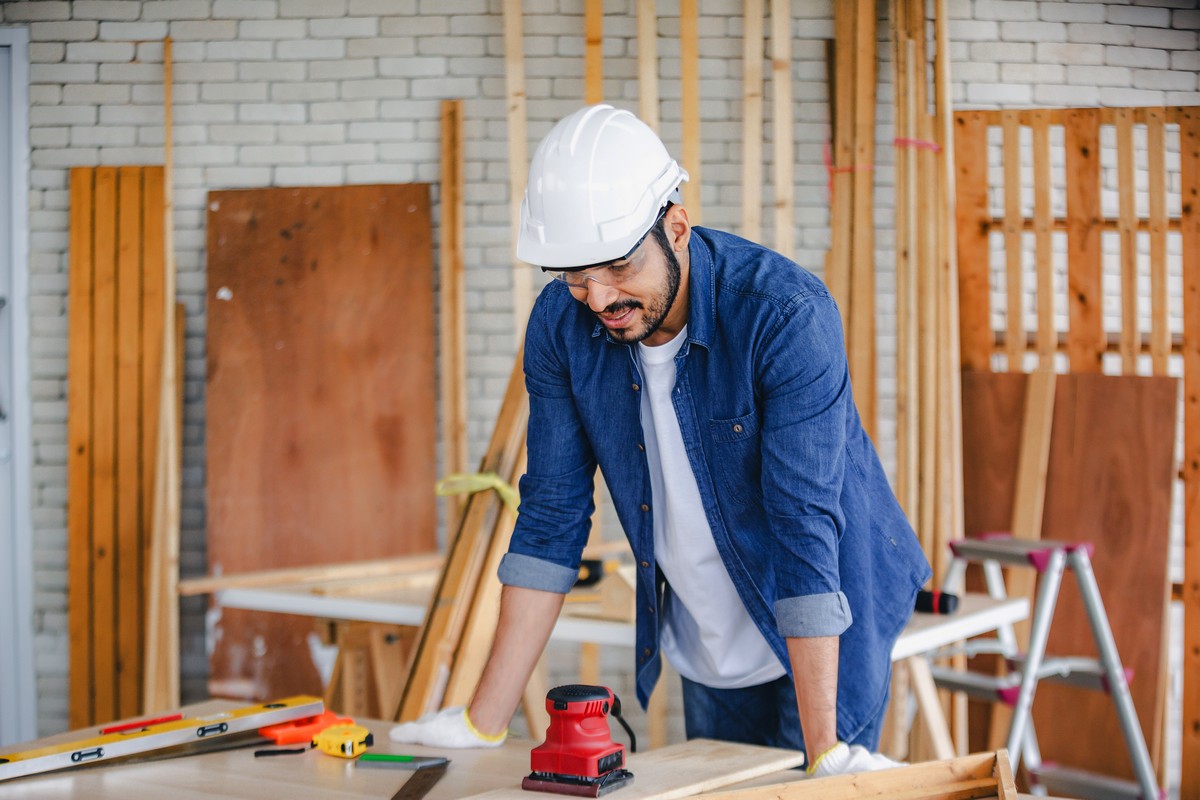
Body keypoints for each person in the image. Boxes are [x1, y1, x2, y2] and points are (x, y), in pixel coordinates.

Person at [390, 104, 932, 776]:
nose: (597, 297)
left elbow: (804, 527)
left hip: (828, 622)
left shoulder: (785, 315)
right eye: (574, 276)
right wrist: (482, 723)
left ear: (676, 227)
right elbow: (552, 514)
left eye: (617, 267)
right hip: (708, 634)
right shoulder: (561, 327)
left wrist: (825, 754)